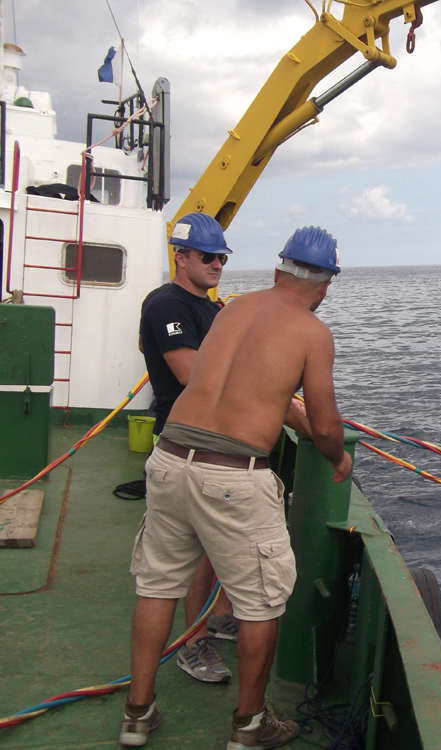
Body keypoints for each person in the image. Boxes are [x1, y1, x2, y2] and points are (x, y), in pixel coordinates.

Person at [119, 226, 352, 749]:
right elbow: (325, 425)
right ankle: (249, 726)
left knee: (156, 586)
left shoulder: (232, 310)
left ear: (278, 270)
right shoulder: (313, 332)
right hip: (231, 475)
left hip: (169, 459)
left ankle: (137, 714)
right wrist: (337, 458)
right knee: (260, 606)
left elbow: (234, 385)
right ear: (325, 285)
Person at [138, 213, 238, 685]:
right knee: (192, 555)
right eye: (207, 256)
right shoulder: (166, 305)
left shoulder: (211, 309)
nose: (217, 264)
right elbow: (190, 374)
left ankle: (216, 619)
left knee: (218, 547)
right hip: (183, 446)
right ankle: (192, 644)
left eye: (222, 258)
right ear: (181, 257)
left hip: (217, 442)